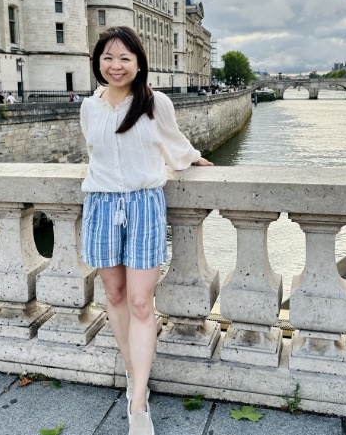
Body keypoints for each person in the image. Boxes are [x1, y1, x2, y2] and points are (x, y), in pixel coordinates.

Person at [80, 26, 213, 435]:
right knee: (115, 295)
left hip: (143, 206)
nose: (115, 65)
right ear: (97, 62)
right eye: (108, 58)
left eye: (124, 58)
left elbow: (176, 145)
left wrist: (196, 160)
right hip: (101, 205)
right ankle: (135, 375)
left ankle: (138, 402)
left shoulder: (156, 104)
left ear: (139, 63)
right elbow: (95, 153)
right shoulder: (90, 106)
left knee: (141, 302)